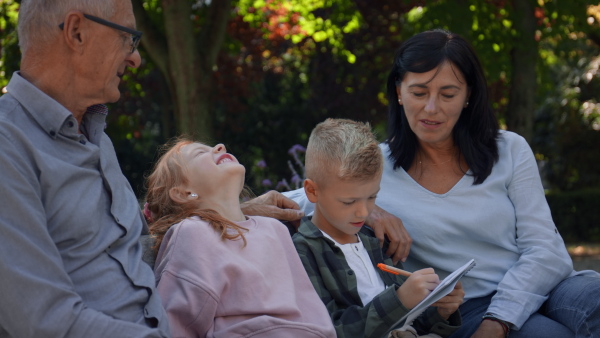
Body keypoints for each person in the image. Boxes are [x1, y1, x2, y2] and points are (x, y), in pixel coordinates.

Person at [0, 0, 302, 336]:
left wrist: (229, 213)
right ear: (77, 32)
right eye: (127, 38)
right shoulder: (8, 146)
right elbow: (42, 320)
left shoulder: (96, 139)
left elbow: (132, 256)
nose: (135, 57)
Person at [285, 29, 600, 338]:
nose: (431, 108)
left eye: (448, 94)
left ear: (468, 96)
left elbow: (545, 248)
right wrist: (372, 209)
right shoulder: (375, 166)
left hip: (548, 286)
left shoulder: (509, 149)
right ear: (398, 91)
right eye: (419, 93)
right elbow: (302, 196)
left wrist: (500, 320)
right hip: (467, 304)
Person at [144, 139, 336, 337]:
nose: (220, 146)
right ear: (184, 193)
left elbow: (309, 304)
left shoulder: (275, 228)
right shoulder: (192, 233)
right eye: (200, 153)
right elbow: (176, 324)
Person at [292, 118, 464, 338]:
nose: (364, 213)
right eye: (349, 202)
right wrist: (399, 300)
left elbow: (409, 322)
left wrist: (440, 310)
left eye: (372, 197)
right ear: (313, 191)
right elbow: (331, 331)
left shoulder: (374, 239)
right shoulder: (301, 252)